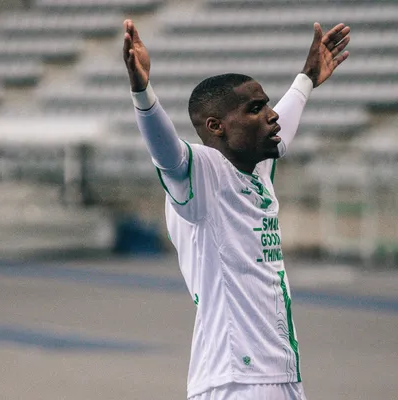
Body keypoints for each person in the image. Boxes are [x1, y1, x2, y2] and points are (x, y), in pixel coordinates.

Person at [123, 18, 350, 400]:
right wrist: (143, 93)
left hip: (280, 373)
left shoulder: (256, 168)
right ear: (216, 127)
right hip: (236, 380)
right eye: (256, 109)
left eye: (268, 105)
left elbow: (283, 127)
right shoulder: (202, 176)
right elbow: (167, 154)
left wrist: (306, 79)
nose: (271, 115)